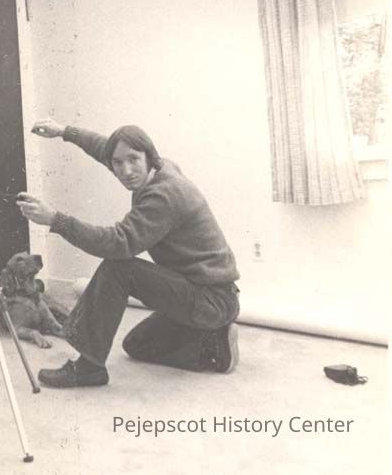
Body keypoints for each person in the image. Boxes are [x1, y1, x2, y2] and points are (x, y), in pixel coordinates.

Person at [16, 118, 240, 389]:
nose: (126, 171)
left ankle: (88, 369)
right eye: (118, 163)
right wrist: (64, 131)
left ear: (149, 156)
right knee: (136, 345)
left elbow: (117, 242)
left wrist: (55, 220)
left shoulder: (164, 196)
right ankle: (215, 347)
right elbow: (105, 147)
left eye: (133, 160)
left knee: (119, 267)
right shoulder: (160, 167)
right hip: (202, 294)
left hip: (211, 299)